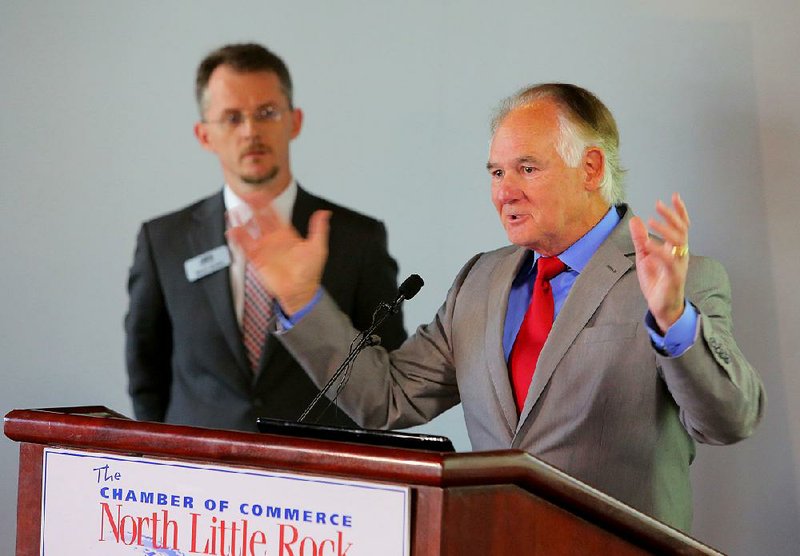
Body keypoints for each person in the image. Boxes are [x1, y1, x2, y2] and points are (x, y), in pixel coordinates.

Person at [228, 83, 765, 531]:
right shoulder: (479, 282)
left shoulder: (679, 278)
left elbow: (728, 421)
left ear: (591, 167)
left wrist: (674, 321)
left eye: (526, 169)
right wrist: (302, 299)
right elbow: (384, 400)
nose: (504, 192)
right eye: (495, 172)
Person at [125, 43, 406, 432]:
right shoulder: (164, 241)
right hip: (196, 473)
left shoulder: (358, 238)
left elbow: (384, 370)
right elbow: (146, 371)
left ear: (295, 121)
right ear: (204, 135)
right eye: (232, 117)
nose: (251, 130)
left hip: (320, 473)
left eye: (267, 113)